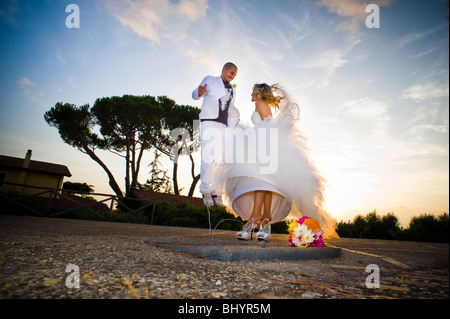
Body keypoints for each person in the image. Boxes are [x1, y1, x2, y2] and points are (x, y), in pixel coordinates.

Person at [218, 83, 338, 242]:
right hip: (265, 144)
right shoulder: (262, 104)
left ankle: (256, 217)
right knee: (266, 183)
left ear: (259, 94)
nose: (251, 93)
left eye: (253, 90)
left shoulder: (260, 104)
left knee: (259, 180)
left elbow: (266, 127)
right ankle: (265, 220)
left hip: (263, 144)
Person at [192, 62, 240, 207]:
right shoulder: (211, 80)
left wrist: (232, 126)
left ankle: (217, 193)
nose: (232, 76)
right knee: (208, 157)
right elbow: (195, 95)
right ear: (224, 69)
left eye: (235, 75)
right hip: (209, 122)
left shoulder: (233, 90)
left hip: (224, 127)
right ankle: (206, 190)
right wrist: (199, 92)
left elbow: (230, 109)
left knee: (220, 161)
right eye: (231, 73)